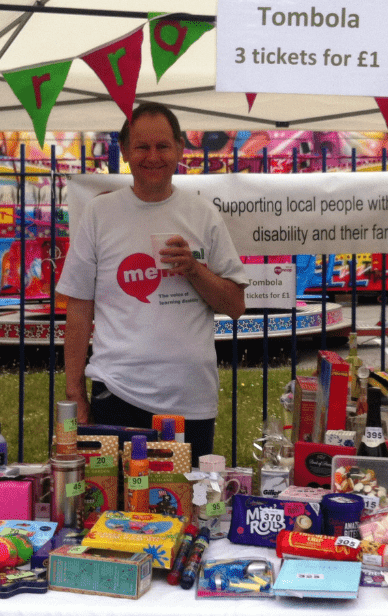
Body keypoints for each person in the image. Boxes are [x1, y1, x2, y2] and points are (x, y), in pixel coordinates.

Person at [57, 102, 248, 466]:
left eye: (162, 146)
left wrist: (194, 269)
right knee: (114, 501)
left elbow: (236, 305)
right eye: (142, 147)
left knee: (185, 500)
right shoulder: (99, 214)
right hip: (117, 394)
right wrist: (75, 393)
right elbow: (79, 307)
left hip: (190, 400)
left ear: (180, 148)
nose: (153, 156)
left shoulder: (202, 214)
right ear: (125, 151)